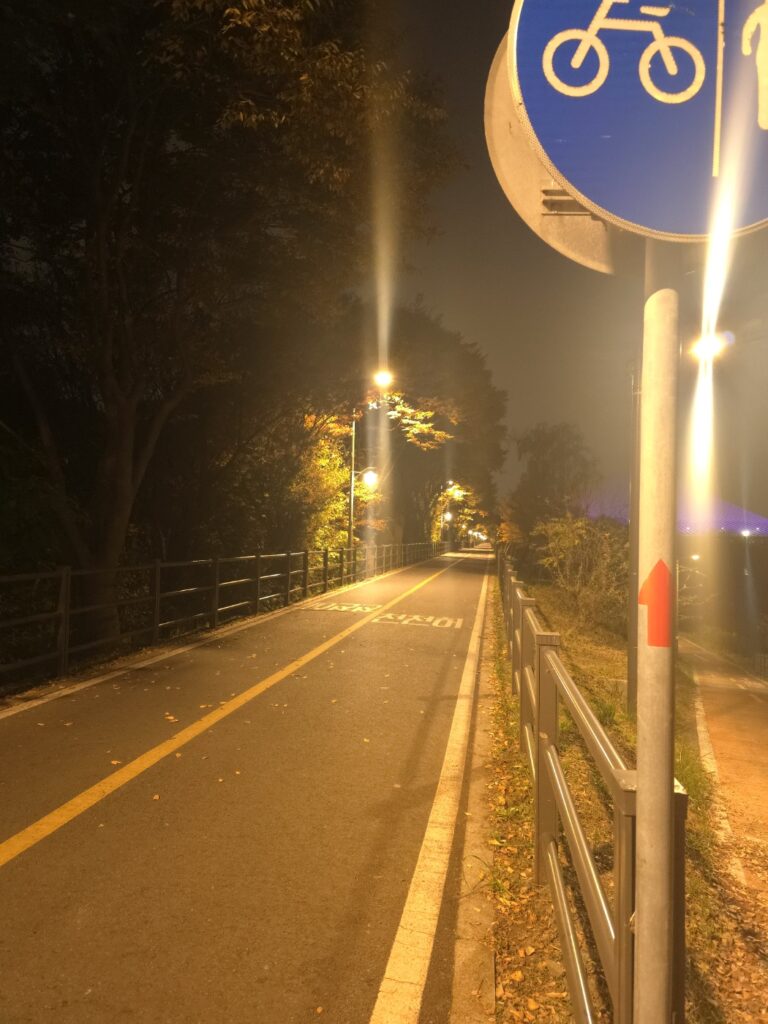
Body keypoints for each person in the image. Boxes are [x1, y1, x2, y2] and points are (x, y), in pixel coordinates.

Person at [743, 0, 768, 128]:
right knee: (764, 87)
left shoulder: (761, 10)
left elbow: (749, 25)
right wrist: (746, 45)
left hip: (763, 53)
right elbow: (749, 26)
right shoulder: (762, 10)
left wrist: (746, 45)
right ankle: (764, 119)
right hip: (764, 54)